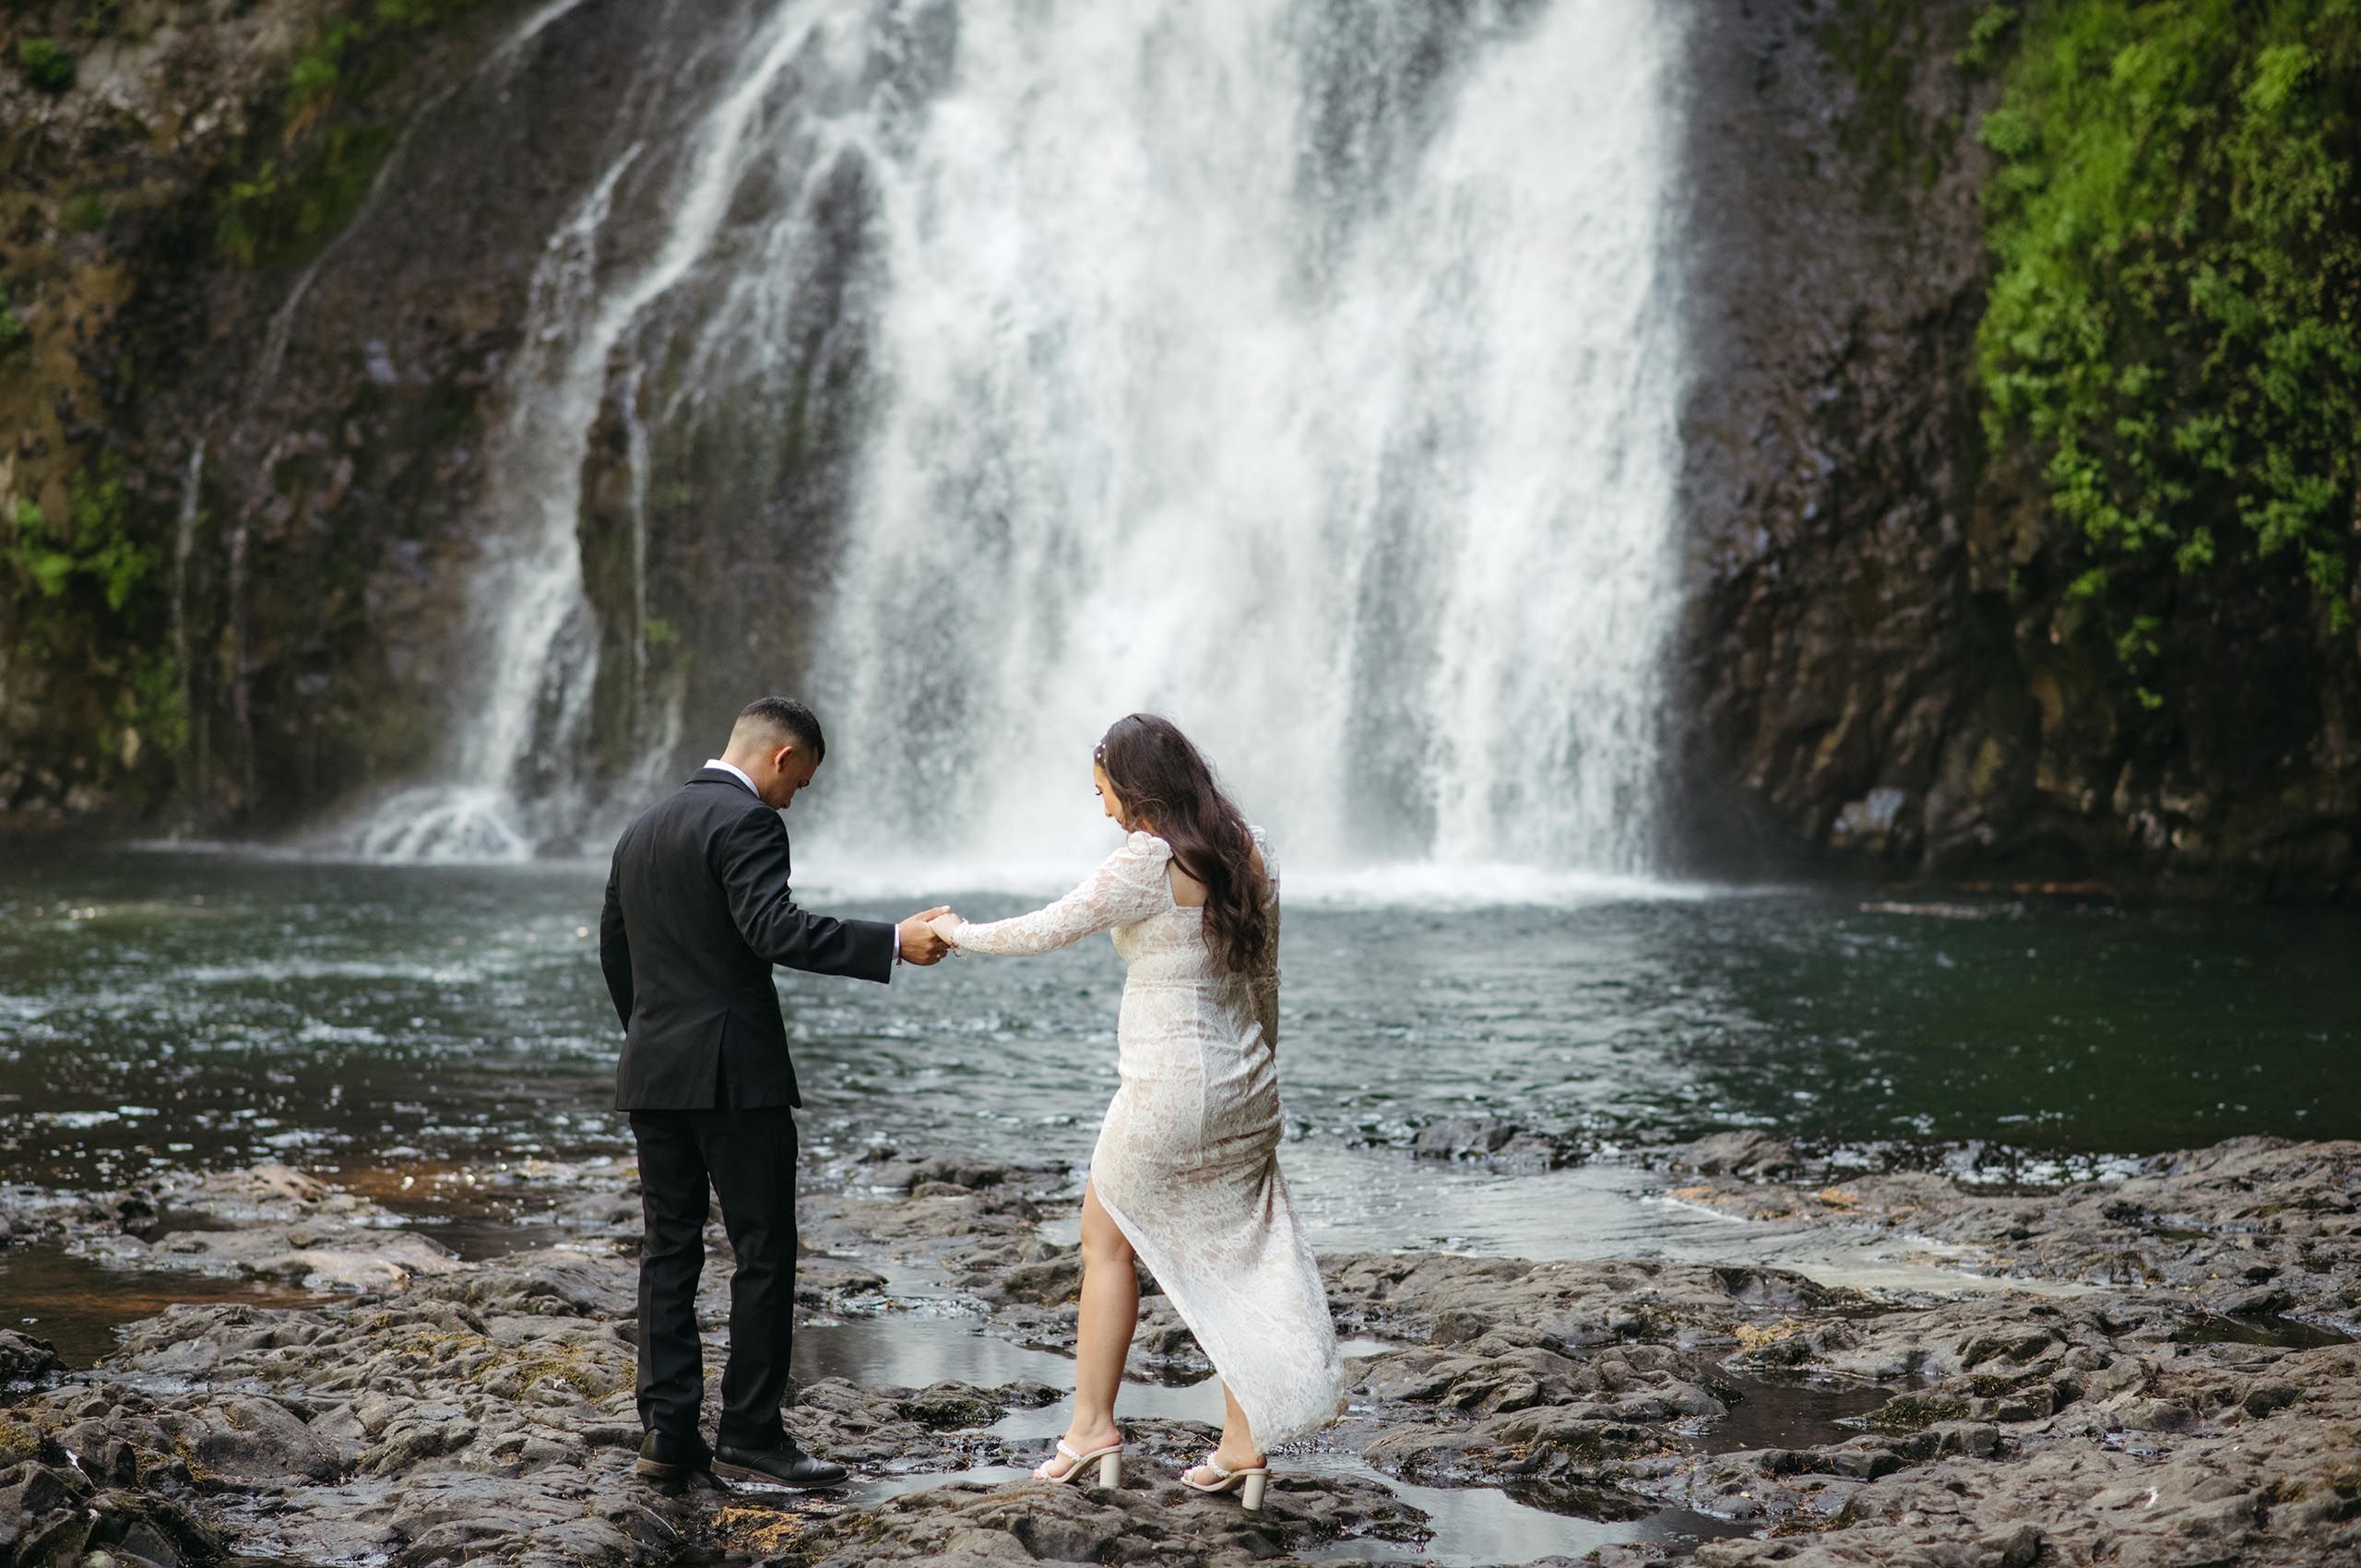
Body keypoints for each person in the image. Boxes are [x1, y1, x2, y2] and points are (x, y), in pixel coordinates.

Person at [930, 713, 1341, 1511]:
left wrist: (955, 931)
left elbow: (1043, 930)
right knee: (1241, 1257)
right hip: (1246, 1083)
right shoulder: (1251, 849)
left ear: (1138, 786)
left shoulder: (1146, 863)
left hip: (1166, 1091)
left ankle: (1090, 1431)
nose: (1106, 810)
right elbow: (1266, 978)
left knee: (1105, 1243)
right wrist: (1264, 1074)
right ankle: (1244, 1446)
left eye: (1106, 793)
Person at [599, 696, 953, 1489]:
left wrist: (653, 1040)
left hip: (654, 1072)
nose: (796, 799)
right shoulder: (750, 822)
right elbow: (775, 929)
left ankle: (667, 1432)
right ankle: (752, 1432)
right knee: (763, 1253)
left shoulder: (642, 828)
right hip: (735, 1078)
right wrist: (892, 941)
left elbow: (614, 949)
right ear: (782, 759)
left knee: (669, 1252)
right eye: (803, 782)